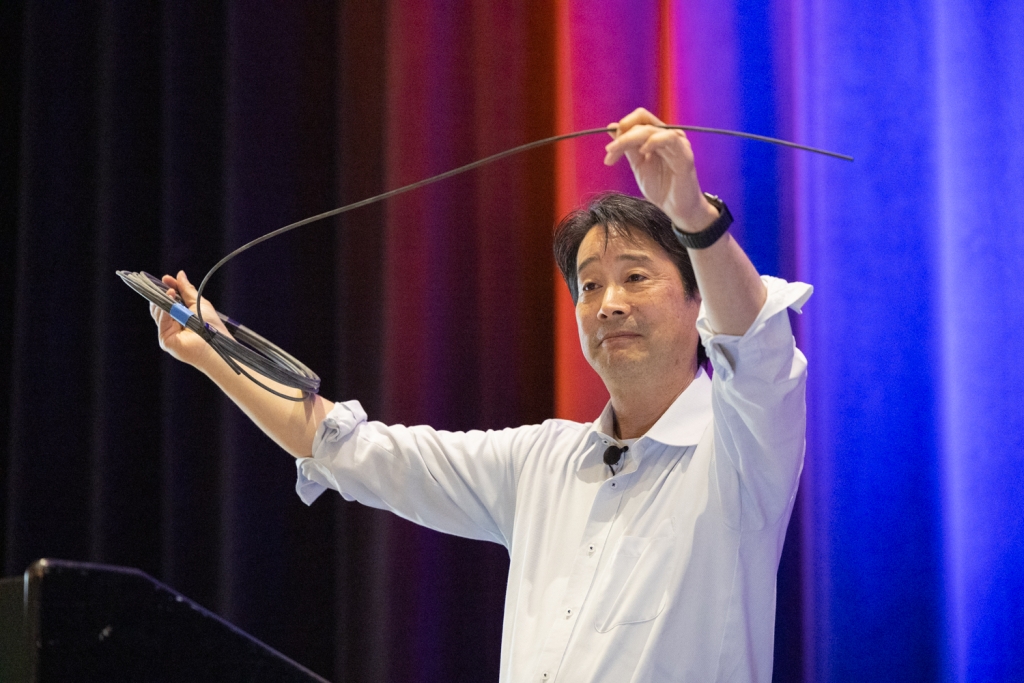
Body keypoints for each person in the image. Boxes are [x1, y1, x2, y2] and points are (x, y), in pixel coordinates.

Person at [151, 108, 812, 682]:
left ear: (695, 296)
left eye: (635, 276)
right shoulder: (539, 462)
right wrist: (214, 347)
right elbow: (344, 447)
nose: (608, 303)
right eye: (588, 285)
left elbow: (754, 340)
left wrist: (691, 214)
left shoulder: (742, 449)